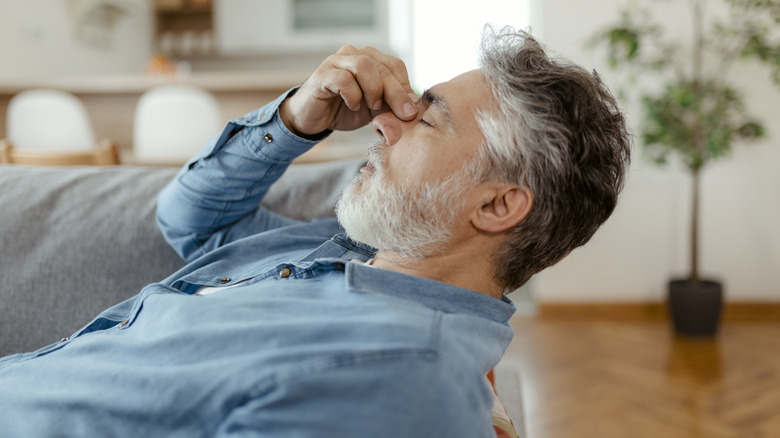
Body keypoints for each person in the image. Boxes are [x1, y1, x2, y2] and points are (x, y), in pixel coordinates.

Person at [0, 27, 630, 437]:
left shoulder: (402, 373)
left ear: (496, 207)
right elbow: (187, 219)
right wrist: (297, 118)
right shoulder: (343, 253)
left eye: (427, 121)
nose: (384, 123)